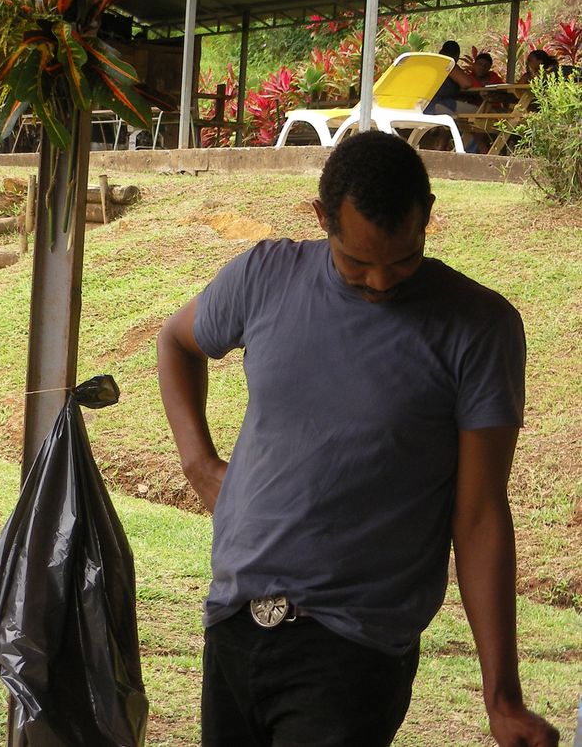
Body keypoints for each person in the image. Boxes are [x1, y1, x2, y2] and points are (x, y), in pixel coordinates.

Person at [157, 131, 560, 747]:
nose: (379, 281)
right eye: (355, 262)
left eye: (402, 259)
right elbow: (176, 342)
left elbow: (479, 516)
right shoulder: (264, 276)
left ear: (426, 215)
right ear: (322, 219)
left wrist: (502, 697)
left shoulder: (479, 328)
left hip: (352, 650)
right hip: (235, 619)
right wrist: (198, 463)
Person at [425, 39, 476, 115]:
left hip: (420, 104)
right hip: (438, 104)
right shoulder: (447, 62)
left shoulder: (429, 64)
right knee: (479, 112)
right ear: (457, 56)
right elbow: (466, 83)